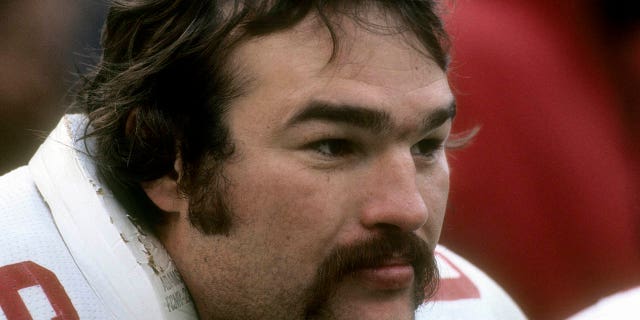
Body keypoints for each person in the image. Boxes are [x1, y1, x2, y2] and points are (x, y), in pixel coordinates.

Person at [0, 1, 525, 319]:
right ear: (168, 161)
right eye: (333, 146)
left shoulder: (476, 308)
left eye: (426, 146)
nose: (408, 209)